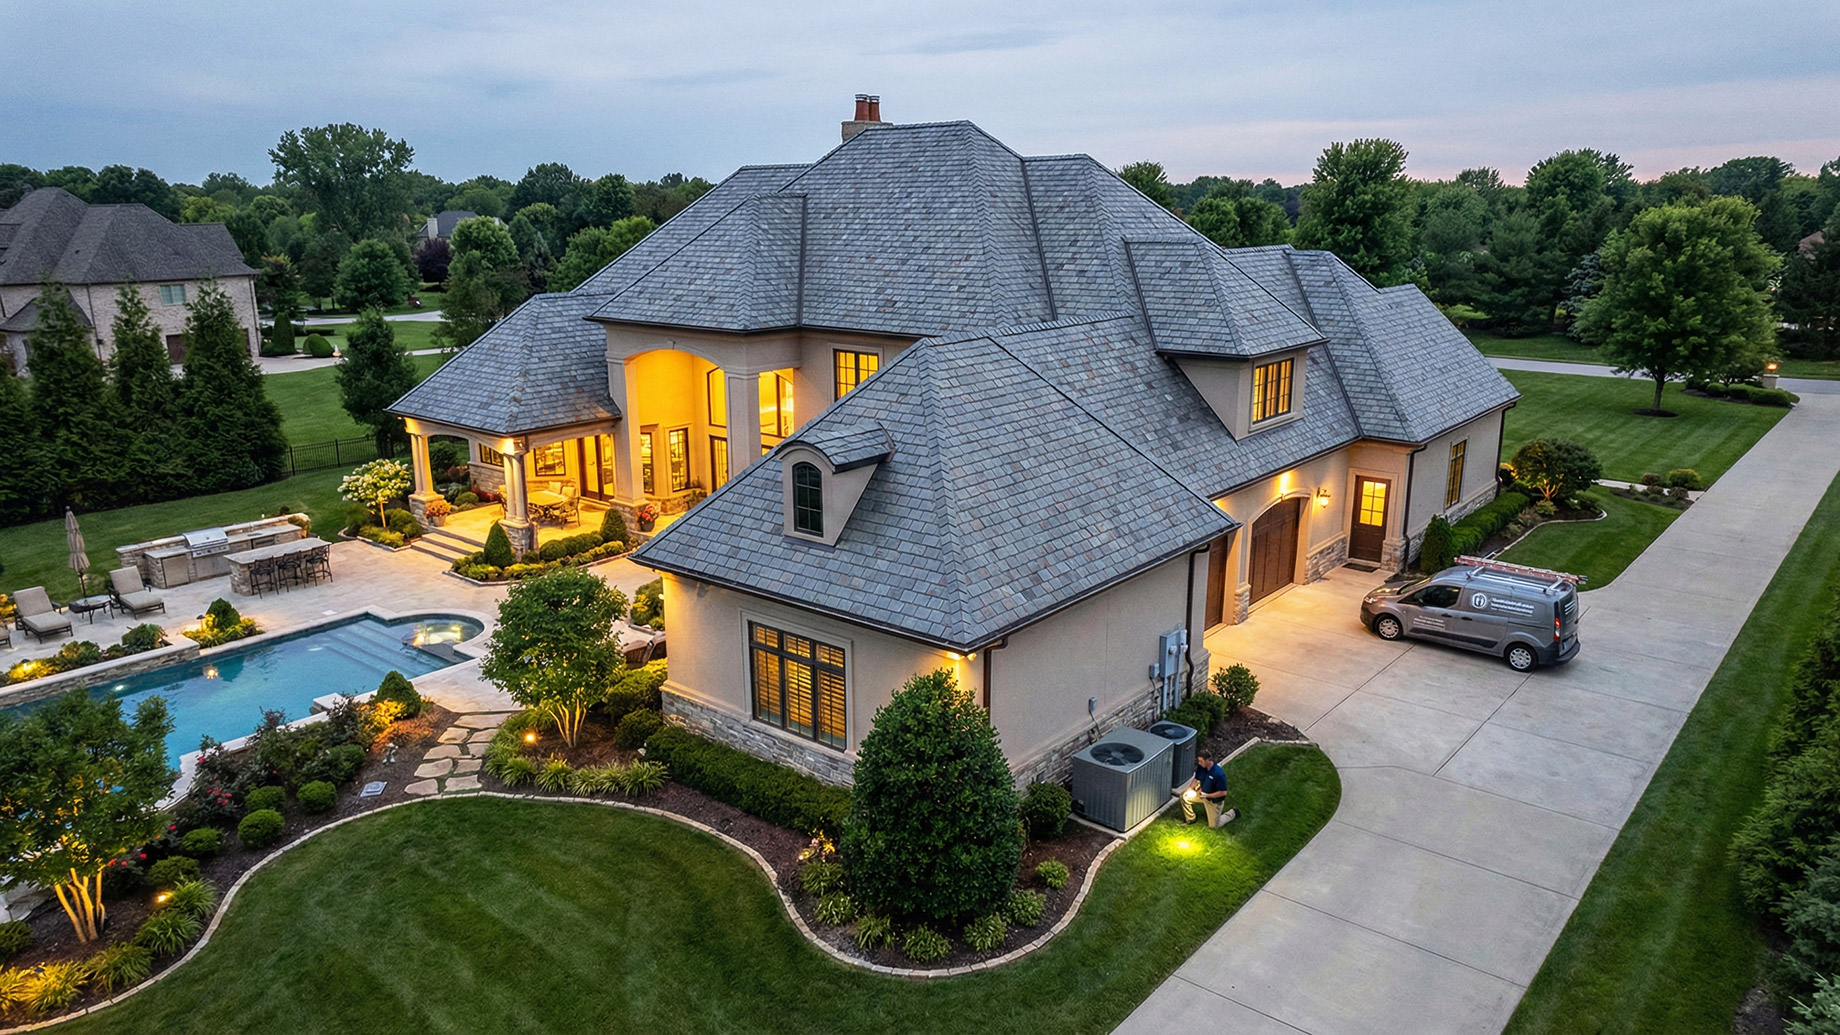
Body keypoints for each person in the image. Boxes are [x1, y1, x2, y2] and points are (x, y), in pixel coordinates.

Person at [1182, 750, 1238, 828]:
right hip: (1201, 794)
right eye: (1199, 761)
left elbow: (1223, 792)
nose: (1199, 763)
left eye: (1201, 761)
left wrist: (1208, 795)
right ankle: (1191, 819)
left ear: (1208, 760)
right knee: (1184, 796)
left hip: (1213, 801)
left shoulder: (1218, 773)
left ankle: (1233, 813)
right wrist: (1189, 789)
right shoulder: (1201, 767)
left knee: (1214, 826)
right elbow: (1196, 780)